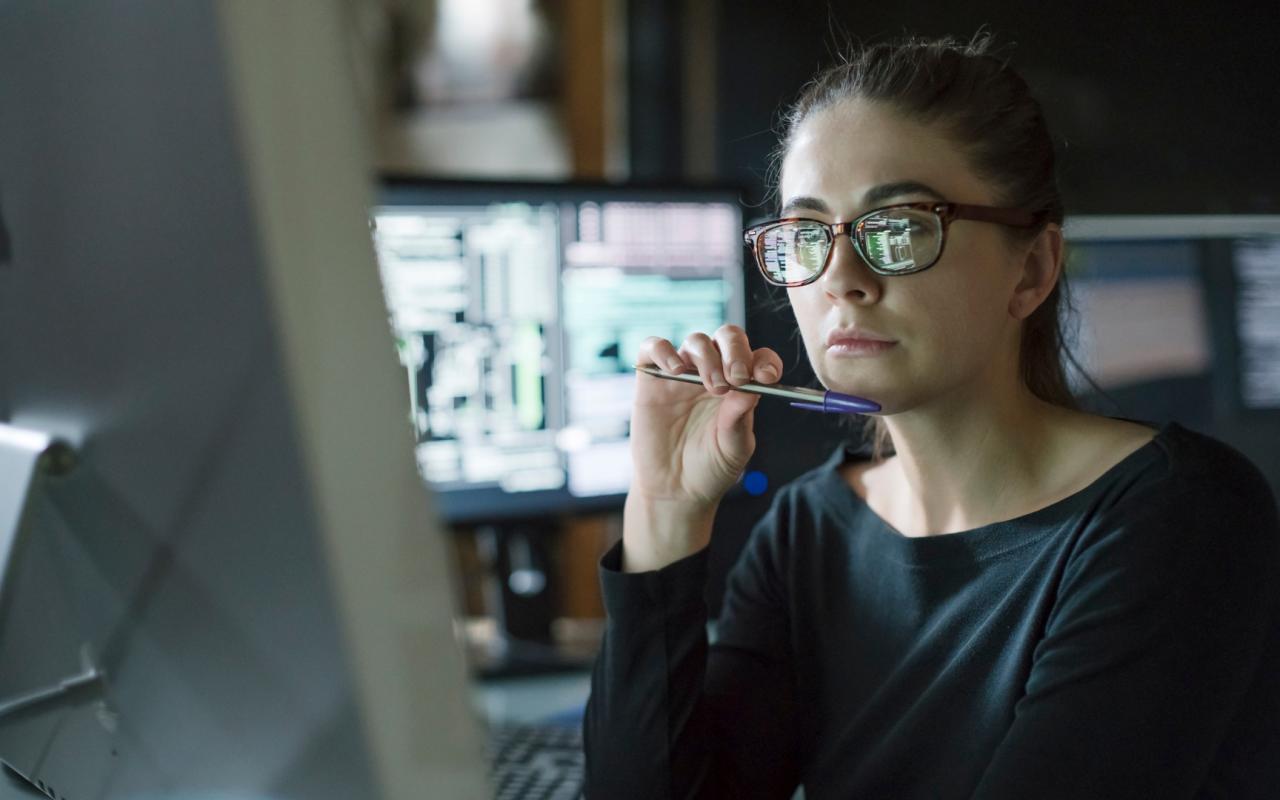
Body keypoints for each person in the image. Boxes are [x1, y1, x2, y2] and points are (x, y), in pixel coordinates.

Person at [581, 33, 1280, 799]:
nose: (841, 279)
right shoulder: (808, 533)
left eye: (899, 226)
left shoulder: (1182, 517)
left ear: (1032, 269)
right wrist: (664, 510)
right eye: (806, 235)